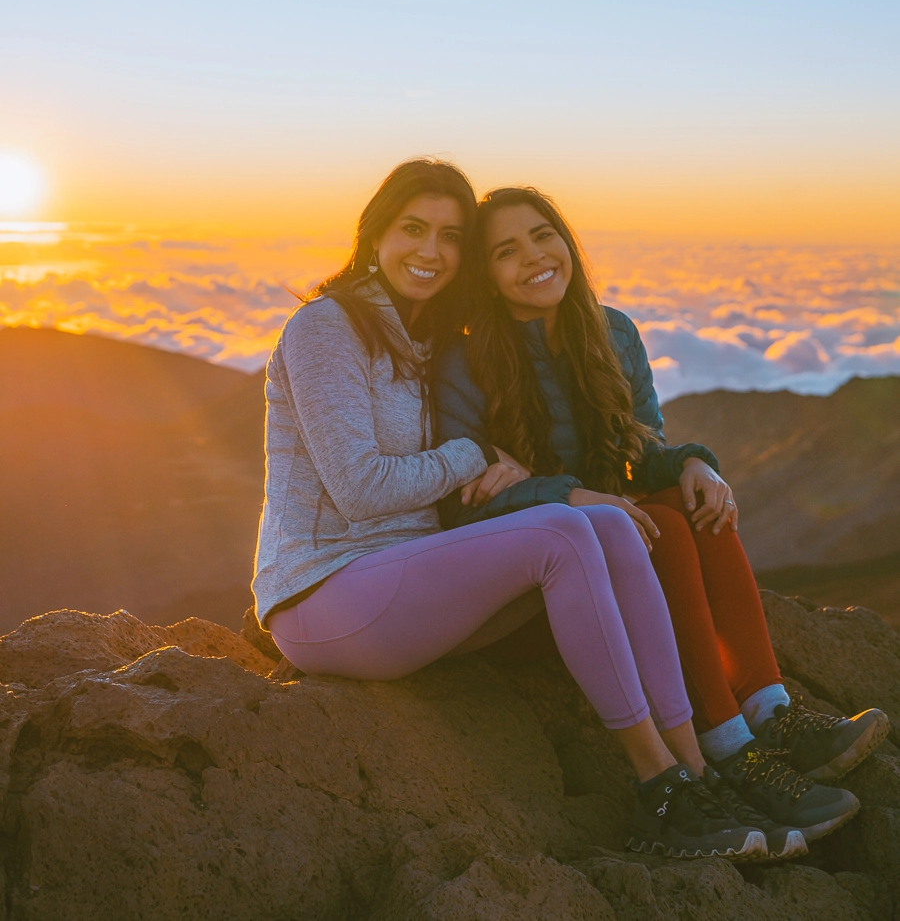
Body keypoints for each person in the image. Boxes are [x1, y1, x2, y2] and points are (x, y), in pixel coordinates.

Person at [253, 158, 773, 861]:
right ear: (375, 231)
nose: (431, 250)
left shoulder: (426, 337)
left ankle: (699, 772)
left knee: (610, 520)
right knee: (561, 530)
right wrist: (475, 456)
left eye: (451, 236)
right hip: (327, 592)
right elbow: (360, 488)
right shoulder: (326, 327)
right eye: (413, 229)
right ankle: (660, 788)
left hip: (415, 583)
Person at [435, 186, 887, 850]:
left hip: (616, 533)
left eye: (543, 234)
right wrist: (570, 495)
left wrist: (692, 465)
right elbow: (462, 502)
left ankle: (771, 711)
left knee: (692, 508)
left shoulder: (612, 330)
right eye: (507, 251)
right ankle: (729, 744)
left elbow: (638, 452)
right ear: (487, 275)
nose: (534, 256)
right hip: (545, 567)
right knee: (662, 528)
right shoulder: (466, 359)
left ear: (566, 239)